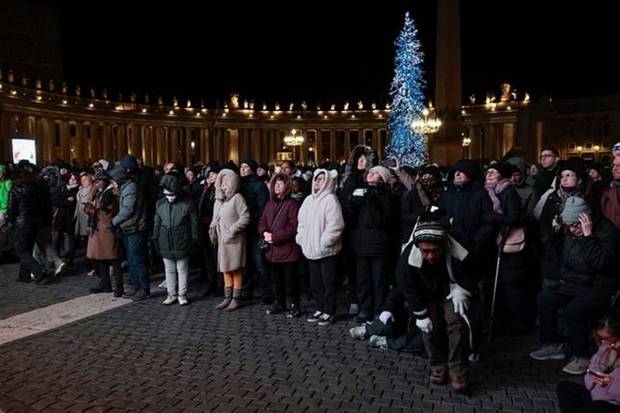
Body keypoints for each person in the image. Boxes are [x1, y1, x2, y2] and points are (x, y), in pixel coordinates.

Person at [530, 197, 619, 375]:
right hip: (573, 283)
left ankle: (581, 355)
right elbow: (558, 251)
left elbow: (599, 262)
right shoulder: (571, 229)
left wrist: (588, 237)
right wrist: (556, 232)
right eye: (569, 226)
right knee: (544, 299)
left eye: (576, 225)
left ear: (586, 219)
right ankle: (553, 344)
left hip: (599, 286)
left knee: (575, 309)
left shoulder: (607, 232)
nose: (572, 230)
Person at [396, 214, 477, 392]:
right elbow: (408, 287)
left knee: (456, 323)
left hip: (452, 290)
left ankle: (458, 370)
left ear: (443, 245)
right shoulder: (408, 258)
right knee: (430, 326)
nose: (430, 255)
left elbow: (476, 267)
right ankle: (437, 365)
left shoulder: (460, 246)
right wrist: (420, 314)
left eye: (435, 250)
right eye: (425, 251)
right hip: (427, 294)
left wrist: (463, 289)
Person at [556, 311, 620, 412]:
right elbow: (590, 374)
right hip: (598, 397)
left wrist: (611, 383)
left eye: (609, 339)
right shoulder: (607, 348)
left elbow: (617, 395)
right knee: (565, 387)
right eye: (602, 339)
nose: (605, 342)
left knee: (599, 406)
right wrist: (596, 378)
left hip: (612, 404)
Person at [258, 173, 302, 318]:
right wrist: (264, 233)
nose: (277, 186)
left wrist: (275, 237)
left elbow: (293, 227)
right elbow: (262, 221)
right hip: (273, 250)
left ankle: (295, 305)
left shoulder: (292, 204)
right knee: (276, 280)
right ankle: (280, 302)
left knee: (291, 281)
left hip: (288, 250)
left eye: (280, 183)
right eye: (275, 183)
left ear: (287, 186)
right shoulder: (269, 204)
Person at [153, 175, 199, 306]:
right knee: (169, 269)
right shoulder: (160, 204)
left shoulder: (187, 203)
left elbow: (194, 222)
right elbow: (157, 222)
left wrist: (194, 238)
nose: (170, 197)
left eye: (172, 194)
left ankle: (181, 294)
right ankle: (171, 294)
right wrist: (155, 237)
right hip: (165, 240)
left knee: (182, 268)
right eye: (167, 194)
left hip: (182, 240)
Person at [210, 169, 250, 311]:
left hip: (234, 241)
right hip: (223, 241)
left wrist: (232, 230)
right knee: (225, 268)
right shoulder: (220, 200)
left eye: (226, 183)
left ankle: (236, 298)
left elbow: (245, 216)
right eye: (221, 183)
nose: (223, 185)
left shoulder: (237, 198)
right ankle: (227, 297)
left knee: (235, 269)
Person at [85, 170, 122, 295]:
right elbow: (88, 206)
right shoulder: (100, 192)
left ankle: (119, 286)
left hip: (107, 228)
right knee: (100, 259)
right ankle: (105, 284)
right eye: (95, 181)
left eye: (99, 181)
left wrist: (91, 207)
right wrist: (92, 193)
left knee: (114, 258)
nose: (97, 183)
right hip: (98, 228)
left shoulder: (110, 193)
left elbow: (99, 209)